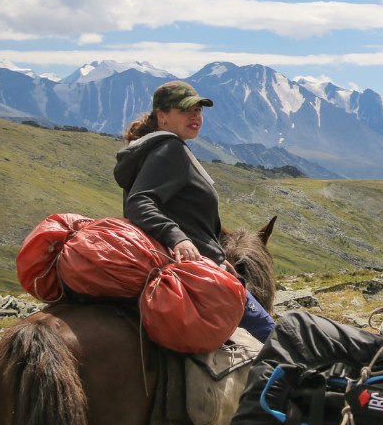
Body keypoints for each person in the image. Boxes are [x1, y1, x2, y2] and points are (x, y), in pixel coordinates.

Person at [114, 80, 274, 344]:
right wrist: (180, 238)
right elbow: (139, 202)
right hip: (196, 270)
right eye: (185, 110)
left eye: (199, 110)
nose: (195, 116)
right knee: (270, 336)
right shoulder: (169, 149)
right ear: (162, 117)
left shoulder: (156, 148)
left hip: (189, 263)